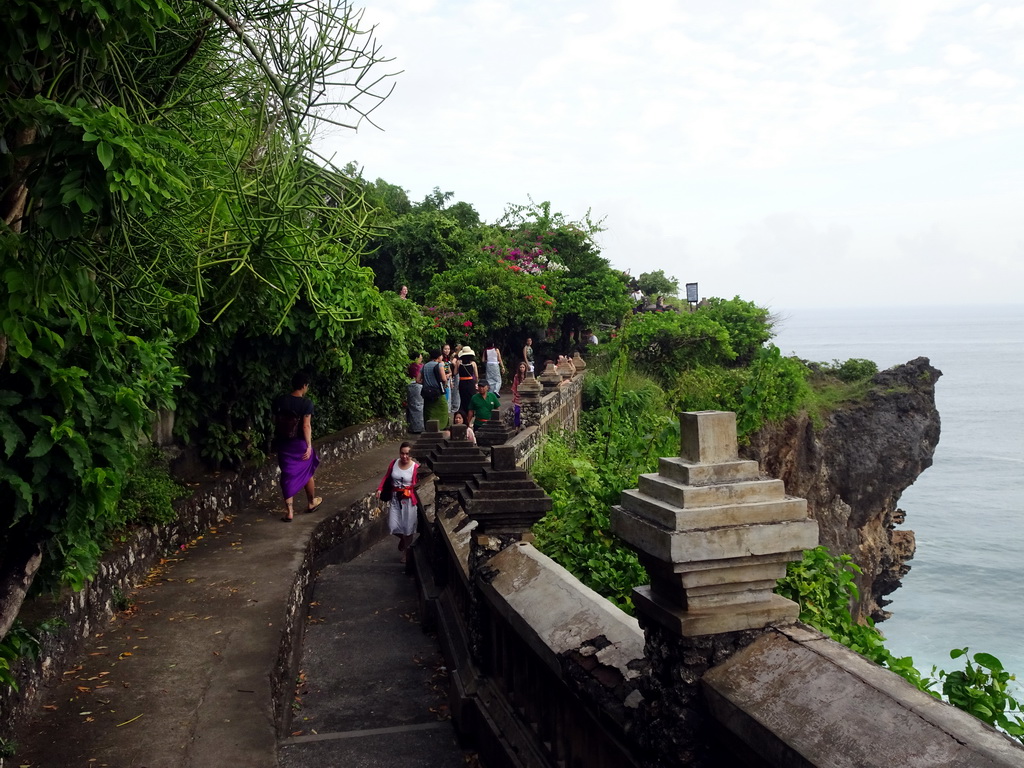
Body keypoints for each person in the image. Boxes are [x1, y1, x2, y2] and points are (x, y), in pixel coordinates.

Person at [271, 371, 323, 522]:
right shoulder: (306, 404)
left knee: (287, 475)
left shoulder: (280, 401)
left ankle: (289, 512)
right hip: (299, 444)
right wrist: (308, 446)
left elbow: (276, 421)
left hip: (284, 444)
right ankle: (312, 502)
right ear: (304, 386)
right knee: (307, 472)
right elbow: (306, 426)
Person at [375, 442, 419, 563]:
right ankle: (404, 541)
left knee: (408, 527)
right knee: (393, 526)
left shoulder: (415, 467)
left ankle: (406, 553)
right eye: (402, 453)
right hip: (395, 497)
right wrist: (380, 489)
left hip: (408, 499)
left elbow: (418, 484)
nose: (404, 456)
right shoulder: (394, 463)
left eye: (407, 454)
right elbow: (387, 477)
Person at [419, 348, 449, 430]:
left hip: (427, 393)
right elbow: (443, 379)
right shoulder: (439, 365)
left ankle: (429, 427)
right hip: (437, 392)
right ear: (439, 356)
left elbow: (418, 380)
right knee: (443, 409)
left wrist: (426, 383)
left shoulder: (424, 366)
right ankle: (442, 426)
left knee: (429, 411)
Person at [456, 346, 479, 415]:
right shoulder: (473, 363)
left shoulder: (459, 363)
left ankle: (463, 414)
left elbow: (455, 373)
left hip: (462, 382)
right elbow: (476, 376)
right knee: (471, 400)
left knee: (463, 400)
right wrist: (476, 383)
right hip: (470, 383)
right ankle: (470, 415)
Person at [406, 354, 424, 434]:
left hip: (412, 386)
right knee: (418, 407)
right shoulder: (417, 367)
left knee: (414, 407)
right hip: (417, 386)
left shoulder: (411, 366)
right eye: (420, 357)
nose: (421, 359)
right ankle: (419, 427)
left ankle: (414, 427)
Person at [511, 362, 528, 427]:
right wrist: (513, 396)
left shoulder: (527, 376)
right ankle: (517, 426)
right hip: (518, 396)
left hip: (525, 396)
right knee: (517, 412)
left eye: (523, 367)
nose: (522, 369)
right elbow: (514, 386)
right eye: (520, 367)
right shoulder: (516, 376)